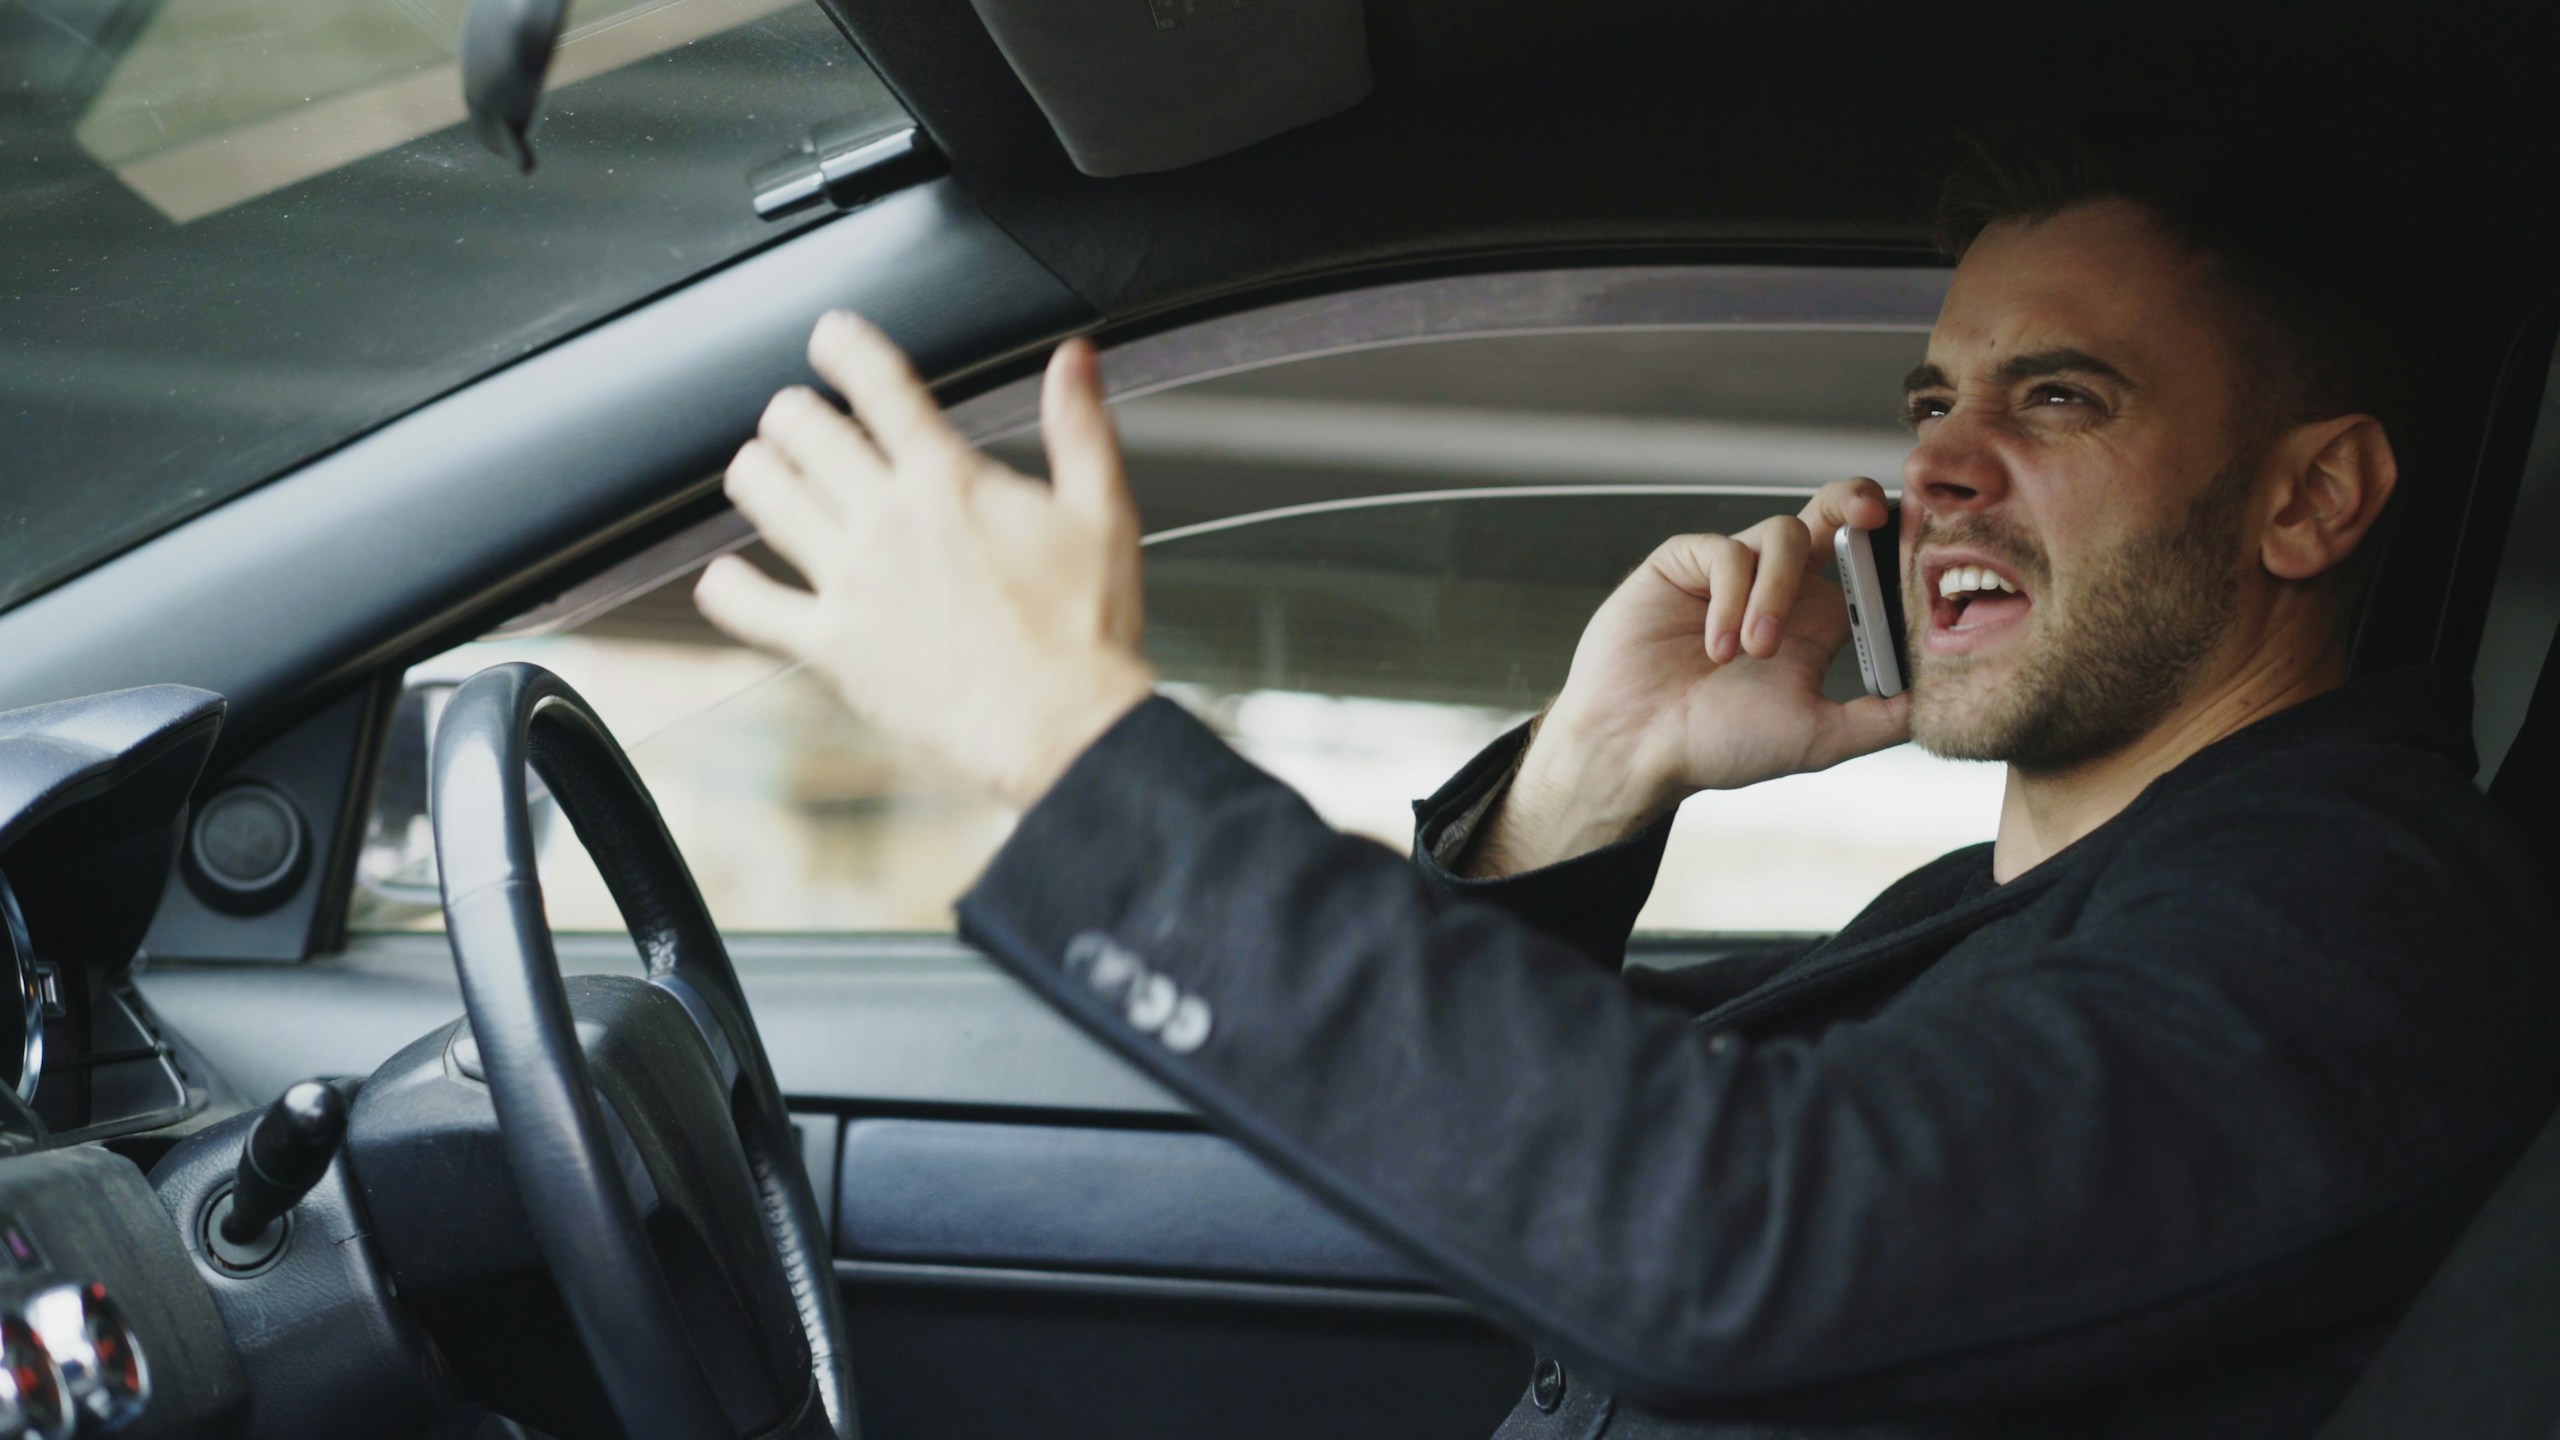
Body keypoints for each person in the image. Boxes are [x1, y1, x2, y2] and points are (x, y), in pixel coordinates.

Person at [692, 134, 2559, 1437]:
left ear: (2310, 499)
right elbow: (1548, 1171)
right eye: (1932, 406)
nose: (1939, 475)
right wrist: (1590, 781)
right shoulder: (2019, 912)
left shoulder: (2369, 921)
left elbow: (1738, 1240)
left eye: (2056, 400)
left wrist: (1063, 741)